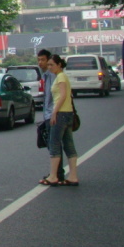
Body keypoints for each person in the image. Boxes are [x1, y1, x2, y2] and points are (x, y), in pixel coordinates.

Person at [41, 55, 79, 186]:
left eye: (52, 64)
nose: (49, 67)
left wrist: (54, 112)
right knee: (69, 145)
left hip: (61, 114)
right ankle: (73, 176)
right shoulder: (61, 77)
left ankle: (53, 176)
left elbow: (62, 96)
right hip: (68, 113)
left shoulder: (61, 77)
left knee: (54, 144)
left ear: (59, 65)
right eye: (49, 65)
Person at [36, 49, 64, 182]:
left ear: (49, 60)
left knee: (54, 144)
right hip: (48, 113)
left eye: (42, 60)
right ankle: (57, 172)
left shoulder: (52, 75)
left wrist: (53, 113)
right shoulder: (46, 75)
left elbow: (57, 96)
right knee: (54, 143)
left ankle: (57, 174)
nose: (40, 62)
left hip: (53, 114)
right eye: (39, 60)